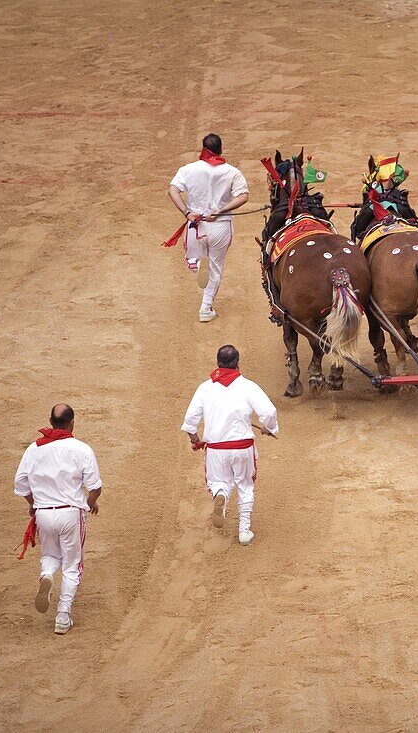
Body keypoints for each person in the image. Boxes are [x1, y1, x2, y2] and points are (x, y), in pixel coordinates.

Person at [14, 404, 103, 635]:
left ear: (50, 421)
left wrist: (33, 505)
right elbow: (95, 487)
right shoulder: (81, 449)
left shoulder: (34, 449)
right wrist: (90, 503)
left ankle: (46, 576)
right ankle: (63, 616)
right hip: (70, 513)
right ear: (72, 423)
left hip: (44, 513)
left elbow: (21, 485)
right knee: (72, 565)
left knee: (51, 555)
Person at [181, 345, 278, 546]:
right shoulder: (248, 386)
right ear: (237, 363)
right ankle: (244, 531)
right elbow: (268, 412)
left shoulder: (205, 388)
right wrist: (269, 428)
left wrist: (195, 440)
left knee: (219, 482)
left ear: (218, 363)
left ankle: (221, 494)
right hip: (243, 447)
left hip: (217, 448)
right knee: (245, 485)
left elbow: (190, 420)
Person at [168, 133, 250, 323]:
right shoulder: (232, 172)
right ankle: (205, 308)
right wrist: (220, 210)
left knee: (198, 258)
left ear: (203, 148)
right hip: (219, 226)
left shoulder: (189, 169)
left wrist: (187, 212)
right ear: (221, 149)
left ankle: (196, 264)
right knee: (215, 267)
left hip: (195, 224)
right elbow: (243, 196)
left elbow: (172, 190)